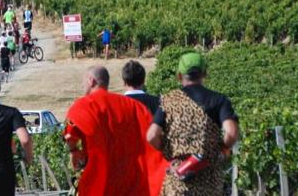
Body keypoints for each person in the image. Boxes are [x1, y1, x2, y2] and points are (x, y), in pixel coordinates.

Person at [146, 52, 240, 195]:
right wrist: (221, 149)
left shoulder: (168, 100)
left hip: (178, 178)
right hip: (209, 178)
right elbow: (232, 133)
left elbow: (152, 135)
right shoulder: (219, 100)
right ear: (205, 74)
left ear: (179, 76)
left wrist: (167, 150)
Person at [65, 66, 168, 195]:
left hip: (100, 177)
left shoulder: (84, 105)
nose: (82, 86)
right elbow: (152, 137)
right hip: (131, 180)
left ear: (91, 81)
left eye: (83, 82)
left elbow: (70, 133)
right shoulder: (133, 106)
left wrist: (74, 151)